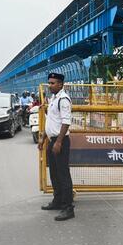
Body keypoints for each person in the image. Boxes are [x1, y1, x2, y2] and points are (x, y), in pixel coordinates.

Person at [37, 72, 75, 221]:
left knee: (63, 174)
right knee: (54, 173)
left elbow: (66, 122)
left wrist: (58, 142)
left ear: (60, 84)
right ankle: (57, 201)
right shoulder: (53, 99)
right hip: (52, 140)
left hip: (61, 142)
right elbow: (51, 122)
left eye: (53, 83)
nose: (50, 85)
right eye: (49, 83)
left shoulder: (63, 100)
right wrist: (43, 138)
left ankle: (68, 208)